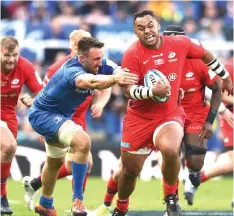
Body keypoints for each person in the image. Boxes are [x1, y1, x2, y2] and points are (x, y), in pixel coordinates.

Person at [111, 10, 232, 216]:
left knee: (170, 149)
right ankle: (121, 205)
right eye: (141, 28)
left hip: (170, 114)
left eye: (150, 25)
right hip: (139, 118)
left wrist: (225, 75)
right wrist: (151, 91)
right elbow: (127, 91)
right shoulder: (132, 54)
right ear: (135, 32)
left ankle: (171, 198)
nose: (147, 31)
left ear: (158, 26)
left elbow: (206, 54)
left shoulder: (180, 43)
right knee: (130, 172)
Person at [27, 37, 139, 216]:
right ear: (82, 59)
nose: (99, 62)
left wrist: (125, 78)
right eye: (96, 59)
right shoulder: (72, 70)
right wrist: (116, 78)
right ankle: (77, 201)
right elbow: (90, 82)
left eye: (101, 58)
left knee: (54, 162)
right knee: (83, 141)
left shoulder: (98, 63)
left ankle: (45, 203)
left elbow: (118, 71)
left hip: (61, 116)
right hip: (43, 115)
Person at [21, 29, 112, 211]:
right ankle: (77, 202)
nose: (82, 46)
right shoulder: (59, 68)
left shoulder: (95, 62)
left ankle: (43, 195)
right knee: (82, 151)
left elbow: (105, 84)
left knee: (63, 162)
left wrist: (101, 103)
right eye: (79, 43)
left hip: (75, 118)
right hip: (56, 119)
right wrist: (43, 125)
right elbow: (44, 95)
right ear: (72, 46)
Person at [162, 25, 233, 206]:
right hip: (170, 115)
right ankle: (171, 201)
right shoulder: (158, 62)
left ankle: (195, 174)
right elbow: (223, 90)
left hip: (195, 114)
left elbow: (215, 89)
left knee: (195, 160)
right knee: (171, 156)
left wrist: (210, 120)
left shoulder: (199, 61)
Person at [0, 36, 43, 215]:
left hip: (9, 114)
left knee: (8, 150)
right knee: (9, 145)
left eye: (15, 55)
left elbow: (42, 93)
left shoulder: (25, 66)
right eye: (7, 55)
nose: (11, 59)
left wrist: (33, 100)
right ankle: (2, 196)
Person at [184, 56, 233, 206]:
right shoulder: (230, 66)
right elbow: (219, 91)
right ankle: (195, 180)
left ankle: (195, 180)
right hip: (230, 114)